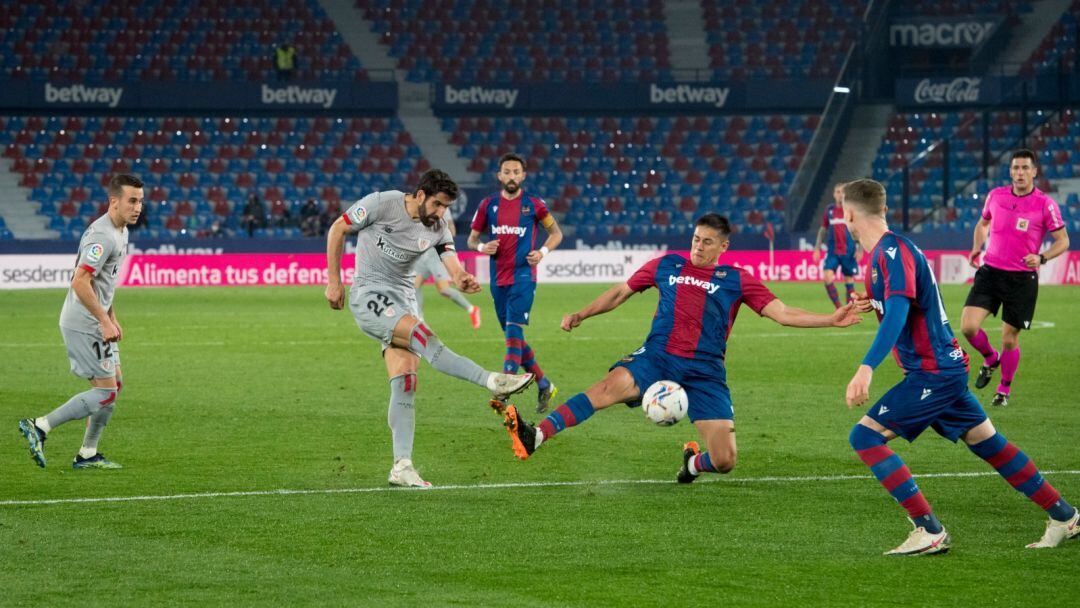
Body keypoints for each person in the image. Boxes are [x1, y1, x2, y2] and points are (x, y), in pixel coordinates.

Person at [502, 214, 861, 484]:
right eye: (695, 239)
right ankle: (537, 435)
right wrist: (582, 314)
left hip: (706, 371)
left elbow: (782, 313)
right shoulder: (667, 264)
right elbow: (621, 292)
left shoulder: (737, 280)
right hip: (658, 356)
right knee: (606, 388)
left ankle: (692, 464)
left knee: (725, 460)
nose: (698, 246)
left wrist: (831, 319)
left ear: (723, 247)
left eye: (707, 242)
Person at [840, 178, 1077, 555]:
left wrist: (866, 367)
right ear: (883, 209)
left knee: (865, 437)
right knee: (989, 444)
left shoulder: (891, 252)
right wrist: (872, 301)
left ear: (848, 214)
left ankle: (928, 529)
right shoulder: (887, 252)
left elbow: (899, 312)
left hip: (933, 373)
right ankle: (1065, 516)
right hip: (942, 369)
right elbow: (901, 304)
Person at [324, 169, 534, 488]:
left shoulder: (438, 228)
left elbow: (450, 260)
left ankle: (402, 466)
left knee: (406, 380)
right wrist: (334, 281)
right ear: (420, 195)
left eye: (446, 207)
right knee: (424, 337)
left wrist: (461, 277)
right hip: (369, 293)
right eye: (437, 204)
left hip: (404, 299)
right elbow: (338, 228)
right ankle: (493, 380)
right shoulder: (381, 203)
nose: (441, 213)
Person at [18, 174, 144, 470]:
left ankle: (87, 453)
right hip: (84, 322)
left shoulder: (121, 231)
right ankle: (40, 426)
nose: (138, 207)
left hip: (97, 319)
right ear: (114, 202)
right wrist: (103, 320)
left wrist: (112, 317)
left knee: (115, 384)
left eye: (140, 201)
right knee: (106, 392)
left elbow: (104, 282)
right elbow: (80, 281)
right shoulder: (103, 235)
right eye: (132, 201)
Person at [959, 149, 1069, 407]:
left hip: (1021, 279)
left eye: (1025, 168)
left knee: (1009, 338)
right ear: (1010, 171)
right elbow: (983, 224)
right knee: (968, 327)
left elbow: (1063, 241)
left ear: (1034, 172)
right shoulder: (995, 196)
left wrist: (1042, 257)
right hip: (990, 272)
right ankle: (990, 358)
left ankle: (1003, 389)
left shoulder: (1045, 204)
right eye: (1016, 168)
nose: (1020, 172)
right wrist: (976, 246)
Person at [468, 153, 563, 413]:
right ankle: (544, 384)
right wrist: (482, 247)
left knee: (513, 333)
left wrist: (542, 252)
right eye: (507, 172)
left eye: (516, 172)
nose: (512, 176)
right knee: (515, 338)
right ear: (499, 176)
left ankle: (503, 387)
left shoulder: (534, 205)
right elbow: (472, 239)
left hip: (523, 277)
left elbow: (556, 233)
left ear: (523, 175)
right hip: (498, 280)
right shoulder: (488, 205)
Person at [413, 205, 482, 329]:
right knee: (415, 285)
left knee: (443, 289)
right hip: (424, 252)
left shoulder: (440, 206)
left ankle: (472, 309)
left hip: (436, 254)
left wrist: (447, 246)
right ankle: (419, 320)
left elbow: (450, 226)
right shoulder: (421, 205)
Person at [813, 181, 861, 308]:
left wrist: (860, 249)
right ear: (834, 194)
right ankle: (839, 308)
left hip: (849, 251)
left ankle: (849, 309)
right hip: (833, 252)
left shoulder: (850, 210)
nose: (840, 195)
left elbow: (858, 229)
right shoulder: (829, 210)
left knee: (849, 279)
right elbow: (823, 229)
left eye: (843, 192)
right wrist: (817, 248)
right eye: (838, 192)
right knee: (827, 277)